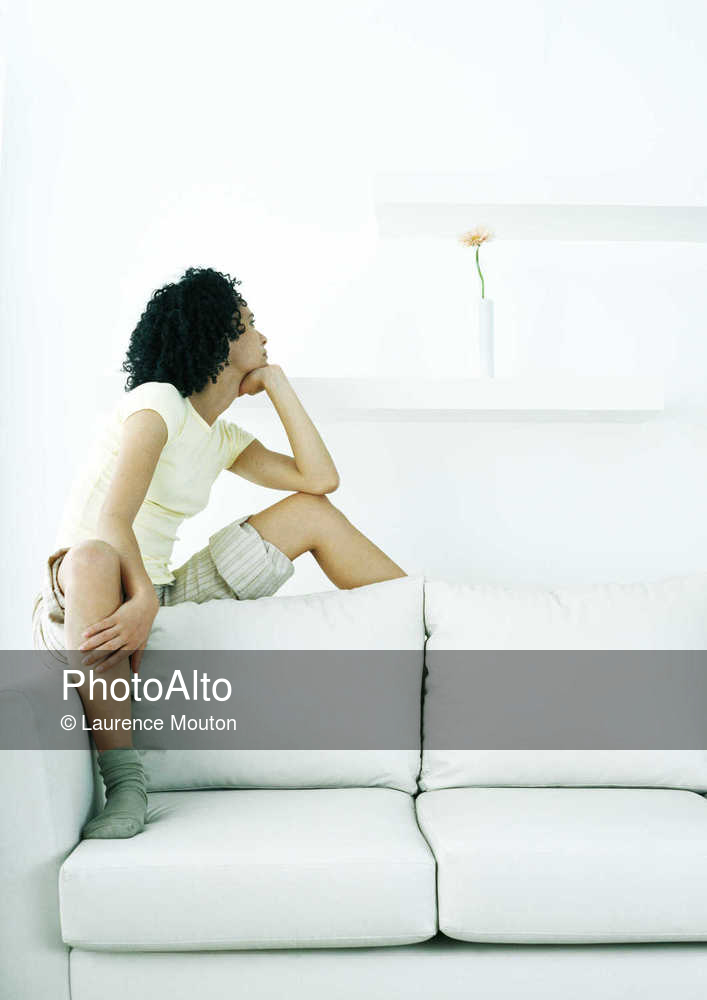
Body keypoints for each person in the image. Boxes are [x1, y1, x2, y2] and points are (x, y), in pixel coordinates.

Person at [31, 266, 406, 840]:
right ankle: (126, 784)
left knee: (311, 512)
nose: (263, 336)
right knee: (94, 558)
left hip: (159, 590)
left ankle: (427, 623)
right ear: (219, 337)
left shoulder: (223, 437)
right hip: (86, 587)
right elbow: (111, 521)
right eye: (250, 325)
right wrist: (141, 600)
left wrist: (278, 385)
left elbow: (320, 479)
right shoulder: (158, 403)